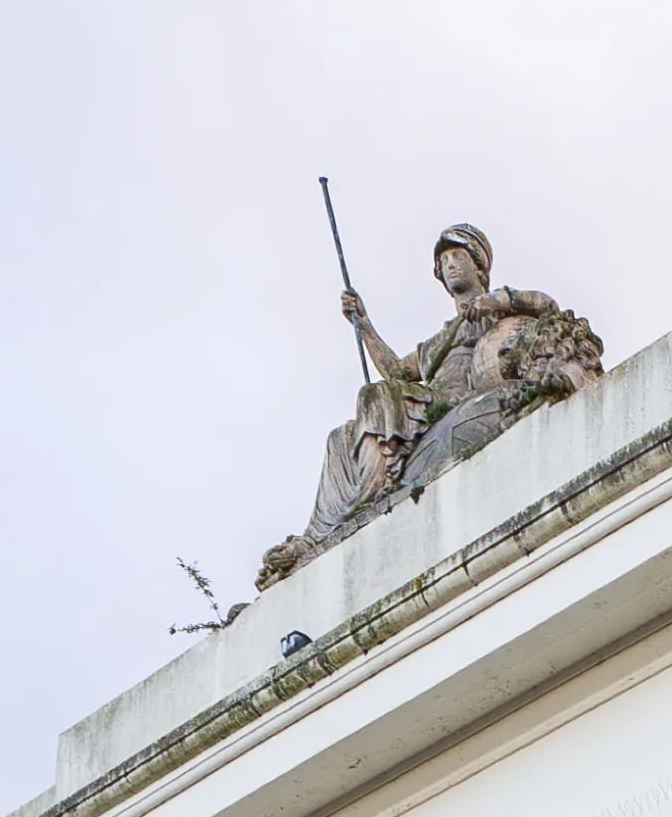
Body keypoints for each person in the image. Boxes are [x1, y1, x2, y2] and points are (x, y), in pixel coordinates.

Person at [257, 223, 607, 587]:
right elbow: (396, 369)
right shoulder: (441, 338)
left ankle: (370, 492)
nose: (452, 264)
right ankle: (322, 532)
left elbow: (546, 306)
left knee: (375, 396)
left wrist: (499, 300)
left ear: (480, 267)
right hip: (426, 399)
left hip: (452, 400)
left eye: (459, 256)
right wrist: (364, 324)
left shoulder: (498, 312)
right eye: (445, 260)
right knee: (339, 438)